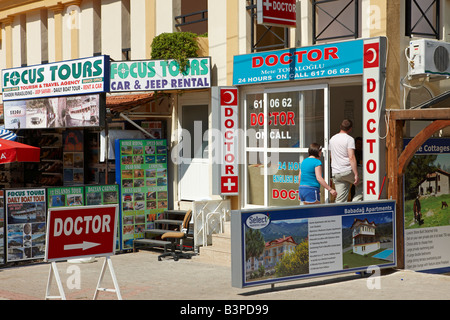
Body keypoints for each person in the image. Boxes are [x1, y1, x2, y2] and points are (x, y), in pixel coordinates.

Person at [329, 119, 362, 202]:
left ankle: (338, 214)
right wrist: (356, 174)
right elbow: (351, 157)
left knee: (340, 200)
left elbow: (331, 156)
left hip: (336, 173)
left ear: (340, 127)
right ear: (350, 129)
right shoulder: (349, 139)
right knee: (366, 180)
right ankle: (356, 202)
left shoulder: (332, 139)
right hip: (347, 171)